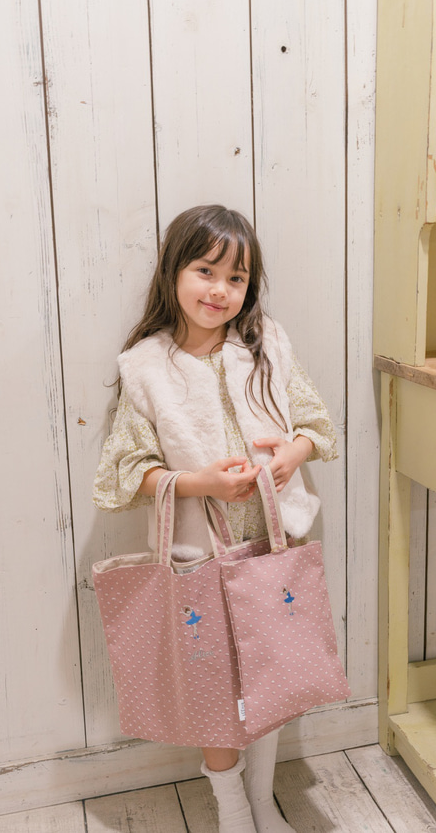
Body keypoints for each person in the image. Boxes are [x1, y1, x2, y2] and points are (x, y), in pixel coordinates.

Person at [93, 204, 338, 833]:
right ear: (175, 271)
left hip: (273, 547)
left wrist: (293, 452)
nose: (221, 290)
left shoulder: (267, 347)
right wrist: (198, 483)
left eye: (237, 279)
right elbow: (126, 473)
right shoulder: (147, 367)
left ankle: (262, 798)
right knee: (214, 692)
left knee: (275, 678)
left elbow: (315, 423)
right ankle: (232, 808)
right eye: (206, 271)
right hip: (199, 558)